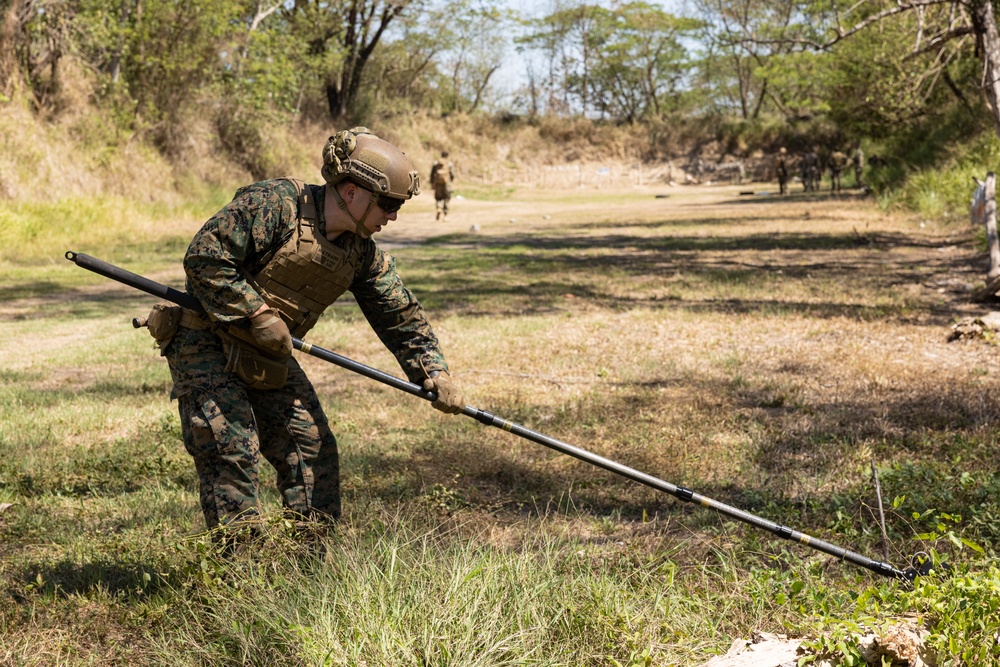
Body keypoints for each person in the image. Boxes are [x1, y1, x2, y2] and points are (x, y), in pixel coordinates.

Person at [158, 127, 465, 533]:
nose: (393, 216)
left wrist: (434, 371)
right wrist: (258, 314)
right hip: (204, 339)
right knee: (229, 448)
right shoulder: (276, 205)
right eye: (388, 204)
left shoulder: (361, 252)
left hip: (266, 351)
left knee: (310, 448)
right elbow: (205, 257)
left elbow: (400, 315)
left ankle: (307, 564)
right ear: (353, 191)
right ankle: (235, 577)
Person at [430, 150, 455, 220]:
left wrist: (432, 183)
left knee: (438, 198)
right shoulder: (449, 164)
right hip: (446, 183)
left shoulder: (436, 163)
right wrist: (451, 180)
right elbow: (452, 174)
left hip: (438, 183)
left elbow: (432, 174)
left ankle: (438, 208)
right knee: (446, 198)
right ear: (447, 156)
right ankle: (445, 215)